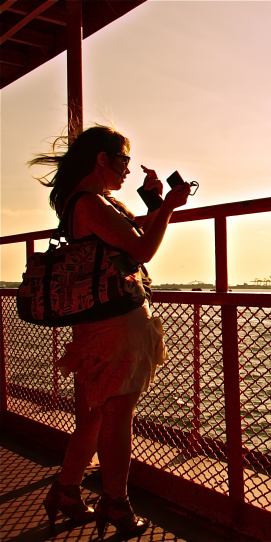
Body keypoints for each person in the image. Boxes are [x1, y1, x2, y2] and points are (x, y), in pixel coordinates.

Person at [29, 125, 190, 538]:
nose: (126, 169)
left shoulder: (95, 203)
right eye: (123, 161)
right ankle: (115, 503)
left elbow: (138, 232)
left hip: (103, 323)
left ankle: (66, 490)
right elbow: (140, 250)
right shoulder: (89, 204)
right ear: (102, 159)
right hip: (114, 323)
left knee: (97, 416)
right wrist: (169, 207)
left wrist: (155, 199)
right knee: (117, 415)